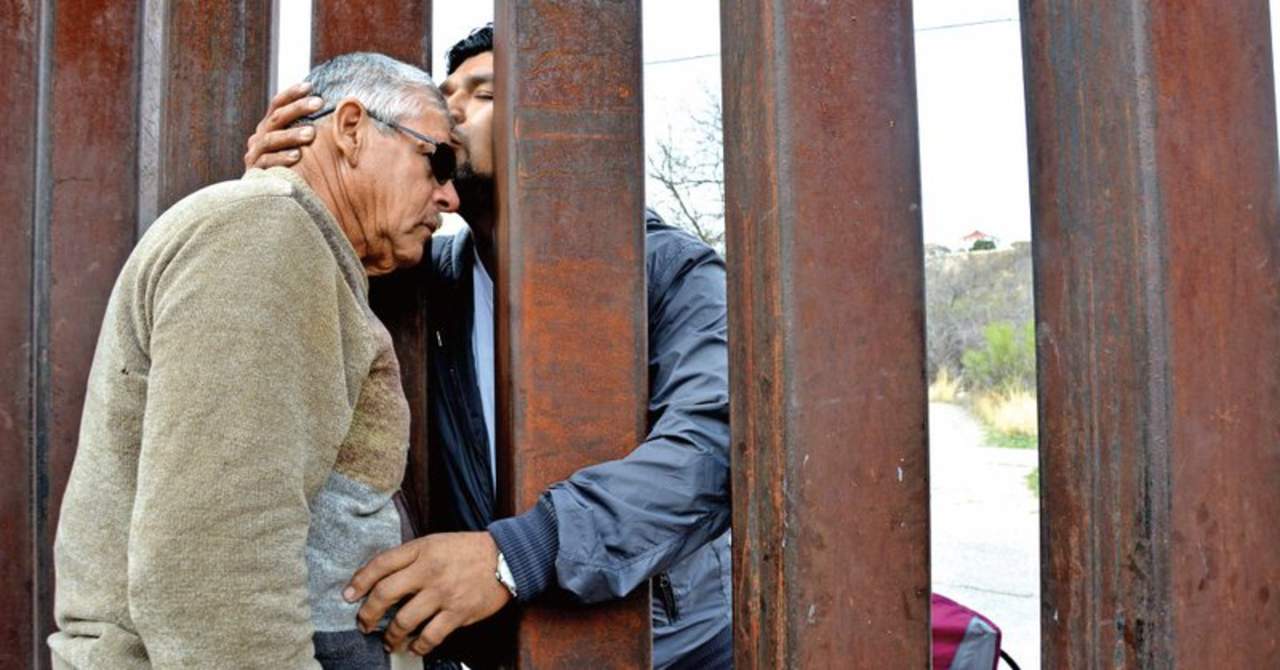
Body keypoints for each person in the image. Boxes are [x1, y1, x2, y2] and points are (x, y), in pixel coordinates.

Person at [246, 25, 733, 670]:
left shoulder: (670, 271)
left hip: (670, 647)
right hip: (487, 652)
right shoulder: (422, 278)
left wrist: (515, 555)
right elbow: (284, 314)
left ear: (558, 125)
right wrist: (281, 190)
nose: (451, 112)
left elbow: (714, 446)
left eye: (482, 93)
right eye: (445, 95)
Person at [50, 52, 460, 669]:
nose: (449, 197)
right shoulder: (264, 231)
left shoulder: (280, 237)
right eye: (440, 161)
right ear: (352, 129)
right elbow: (215, 558)